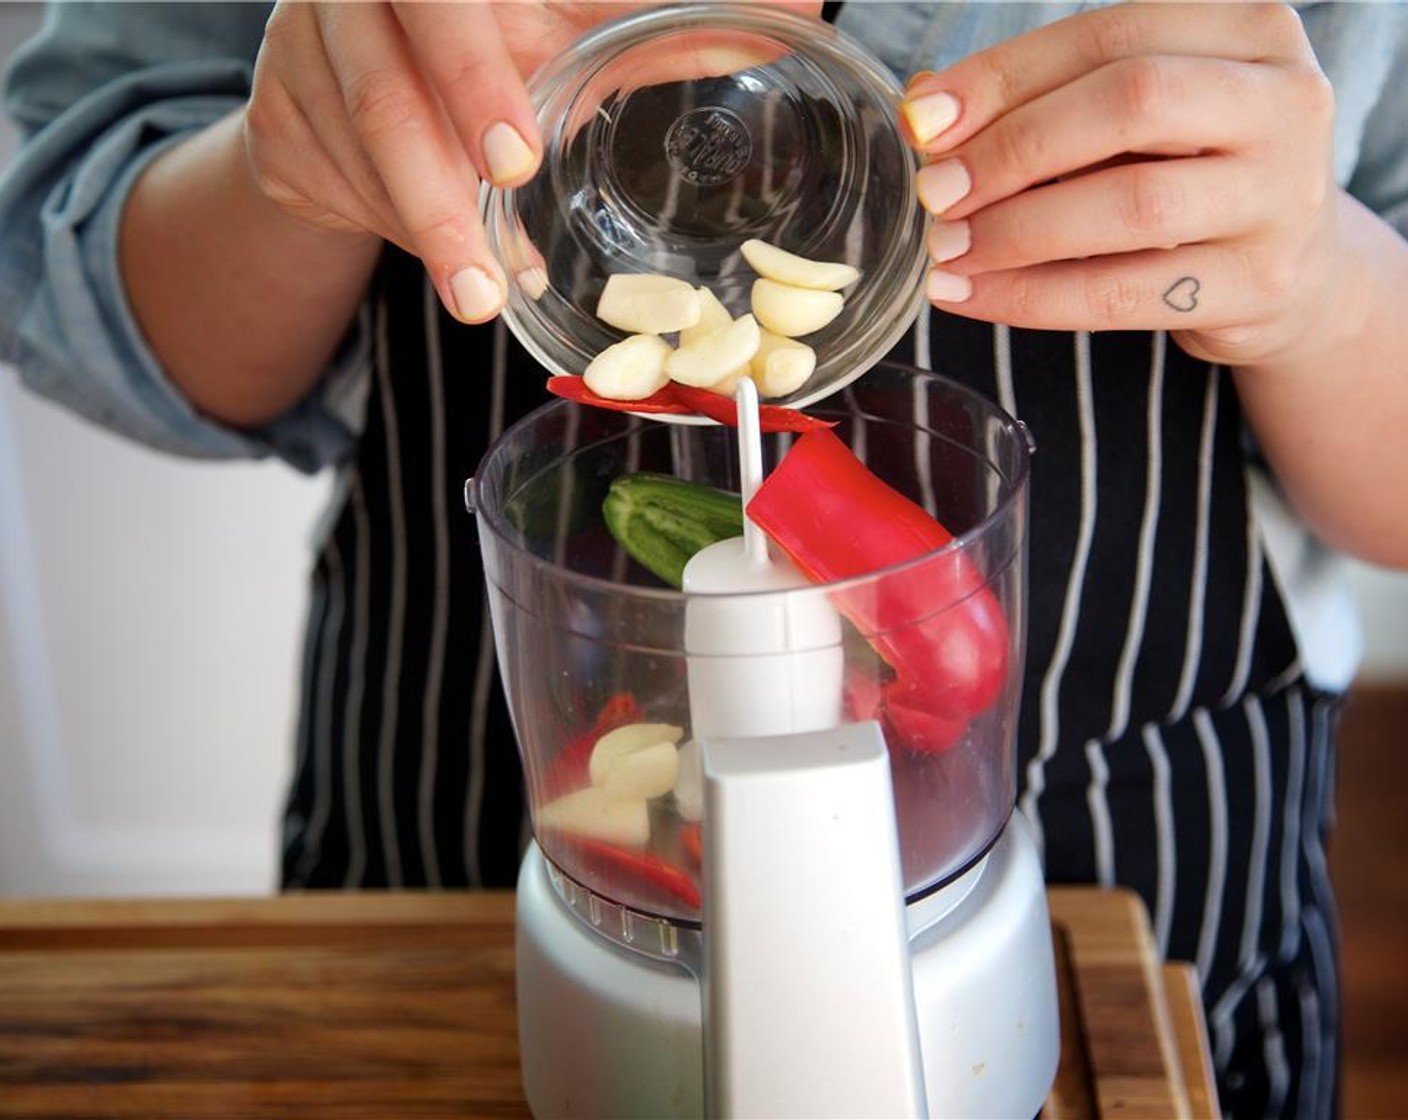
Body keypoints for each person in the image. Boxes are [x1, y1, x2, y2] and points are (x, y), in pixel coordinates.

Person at [2, 2, 1406, 1115]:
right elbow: (68, 273)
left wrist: (1320, 287)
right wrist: (286, 167)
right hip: (446, 869)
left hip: (1144, 873)